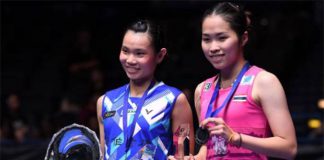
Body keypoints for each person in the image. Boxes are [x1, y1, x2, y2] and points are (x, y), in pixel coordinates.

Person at [193, 2, 297, 160]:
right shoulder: (202, 90)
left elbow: (289, 148)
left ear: (243, 38)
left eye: (222, 38)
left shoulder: (264, 82)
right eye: (207, 39)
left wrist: (236, 138)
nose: (213, 47)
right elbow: (208, 150)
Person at [96, 19, 194, 160]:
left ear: (160, 55)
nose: (130, 60)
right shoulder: (105, 102)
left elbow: (184, 157)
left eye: (139, 53)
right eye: (125, 51)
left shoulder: (174, 100)